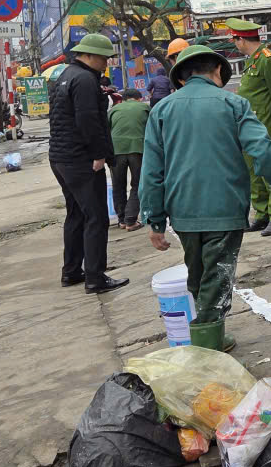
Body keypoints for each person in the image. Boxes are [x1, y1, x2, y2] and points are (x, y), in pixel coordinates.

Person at [138, 44, 271, 351]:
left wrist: (154, 220)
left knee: (198, 275)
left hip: (182, 211)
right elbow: (262, 151)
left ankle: (211, 335)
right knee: (216, 277)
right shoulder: (233, 104)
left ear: (181, 78)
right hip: (225, 208)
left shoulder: (162, 110)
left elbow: (151, 171)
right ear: (218, 71)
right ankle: (208, 346)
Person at [47, 33, 128, 295]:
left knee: (76, 214)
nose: (107, 63)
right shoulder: (84, 80)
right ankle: (95, 277)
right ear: (90, 56)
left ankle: (71, 271)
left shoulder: (65, 76)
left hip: (60, 157)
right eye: (104, 58)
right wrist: (99, 155)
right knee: (96, 217)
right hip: (80, 158)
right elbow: (88, 121)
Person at [227, 18, 271, 237]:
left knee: (267, 172)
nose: (235, 44)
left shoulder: (267, 60)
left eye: (235, 40)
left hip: (265, 127)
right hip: (249, 128)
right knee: (253, 174)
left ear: (241, 40)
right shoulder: (251, 61)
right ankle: (262, 213)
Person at [107, 87, 149, 232]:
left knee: (118, 185)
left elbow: (106, 130)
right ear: (139, 98)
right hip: (138, 148)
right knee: (138, 184)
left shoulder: (114, 110)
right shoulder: (144, 107)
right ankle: (130, 220)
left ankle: (122, 220)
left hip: (115, 150)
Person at [147, 38, 188, 108]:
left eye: (170, 60)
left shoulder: (175, 76)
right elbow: (172, 90)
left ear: (176, 58)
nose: (171, 64)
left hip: (156, 99)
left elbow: (148, 89)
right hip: (166, 97)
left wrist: (151, 95)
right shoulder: (169, 79)